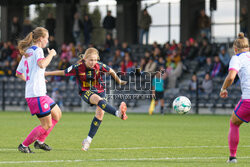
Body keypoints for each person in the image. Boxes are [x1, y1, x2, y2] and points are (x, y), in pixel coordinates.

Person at [45, 47, 128, 151]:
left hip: (100, 90)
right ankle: (117, 113)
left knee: (99, 115)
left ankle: (87, 141)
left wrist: (119, 81)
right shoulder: (78, 67)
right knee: (98, 100)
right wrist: (46, 73)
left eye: (95, 60)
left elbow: (111, 71)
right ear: (85, 59)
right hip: (86, 91)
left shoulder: (99, 65)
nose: (93, 62)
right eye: (91, 60)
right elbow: (63, 72)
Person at [16, 27, 62, 153]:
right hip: (36, 94)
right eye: (46, 38)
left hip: (38, 92)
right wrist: (52, 54)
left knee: (57, 114)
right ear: (41, 38)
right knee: (46, 124)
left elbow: (19, 73)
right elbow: (42, 64)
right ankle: (24, 145)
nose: (47, 41)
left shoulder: (28, 51)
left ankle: (40, 142)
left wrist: (35, 79)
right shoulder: (38, 50)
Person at [220, 32, 250, 163]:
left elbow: (231, 77)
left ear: (235, 49)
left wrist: (223, 88)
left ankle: (232, 157)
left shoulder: (237, 57)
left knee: (234, 123)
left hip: (248, 100)